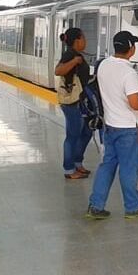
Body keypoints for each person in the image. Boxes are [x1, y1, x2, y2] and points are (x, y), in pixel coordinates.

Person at [87, 31, 138, 220]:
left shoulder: (103, 65)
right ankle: (133, 206)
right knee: (128, 168)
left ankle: (95, 205)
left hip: (109, 127)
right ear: (131, 49)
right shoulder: (128, 72)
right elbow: (134, 103)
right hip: (128, 129)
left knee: (107, 165)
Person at [54, 28, 93, 180]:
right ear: (77, 40)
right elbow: (58, 71)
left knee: (86, 132)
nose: (85, 41)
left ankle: (78, 162)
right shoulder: (70, 54)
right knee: (73, 135)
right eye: (83, 38)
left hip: (81, 100)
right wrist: (75, 61)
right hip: (71, 101)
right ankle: (69, 169)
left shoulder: (76, 54)